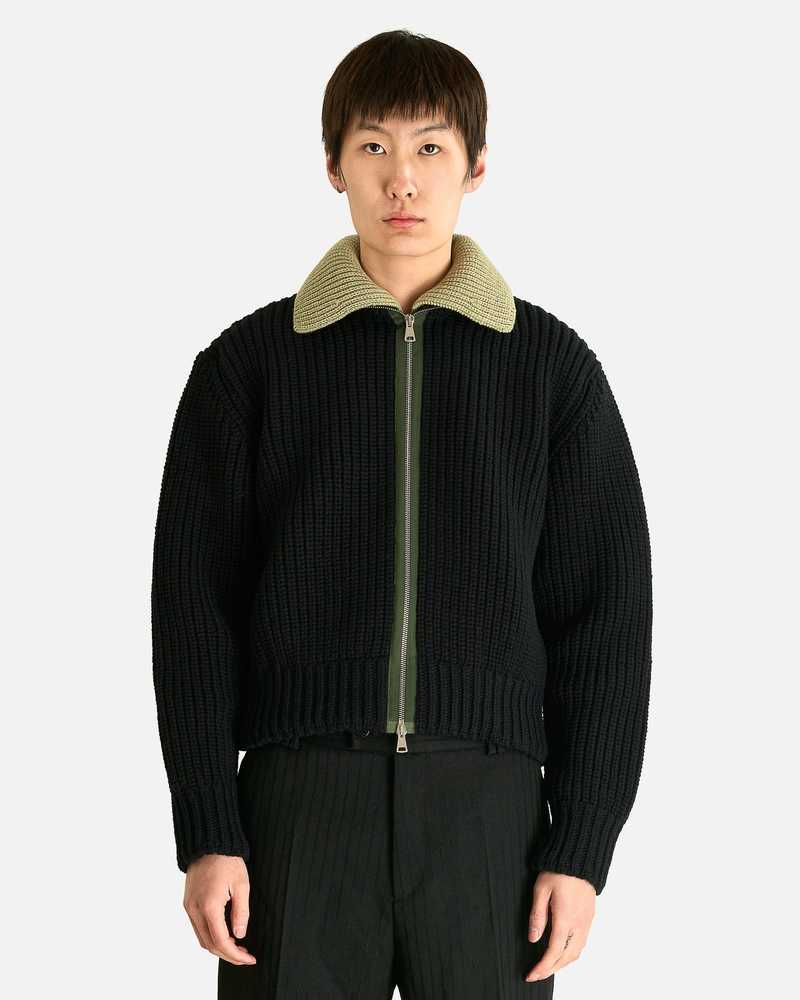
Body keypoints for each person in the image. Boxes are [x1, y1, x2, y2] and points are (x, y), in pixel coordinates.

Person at [150, 28, 652, 1000]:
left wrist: (582, 846)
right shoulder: (248, 369)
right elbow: (192, 613)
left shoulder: (552, 373)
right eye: (373, 145)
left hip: (489, 818)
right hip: (297, 811)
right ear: (333, 164)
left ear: (476, 164)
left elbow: (607, 623)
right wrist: (209, 828)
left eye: (430, 146)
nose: (402, 178)